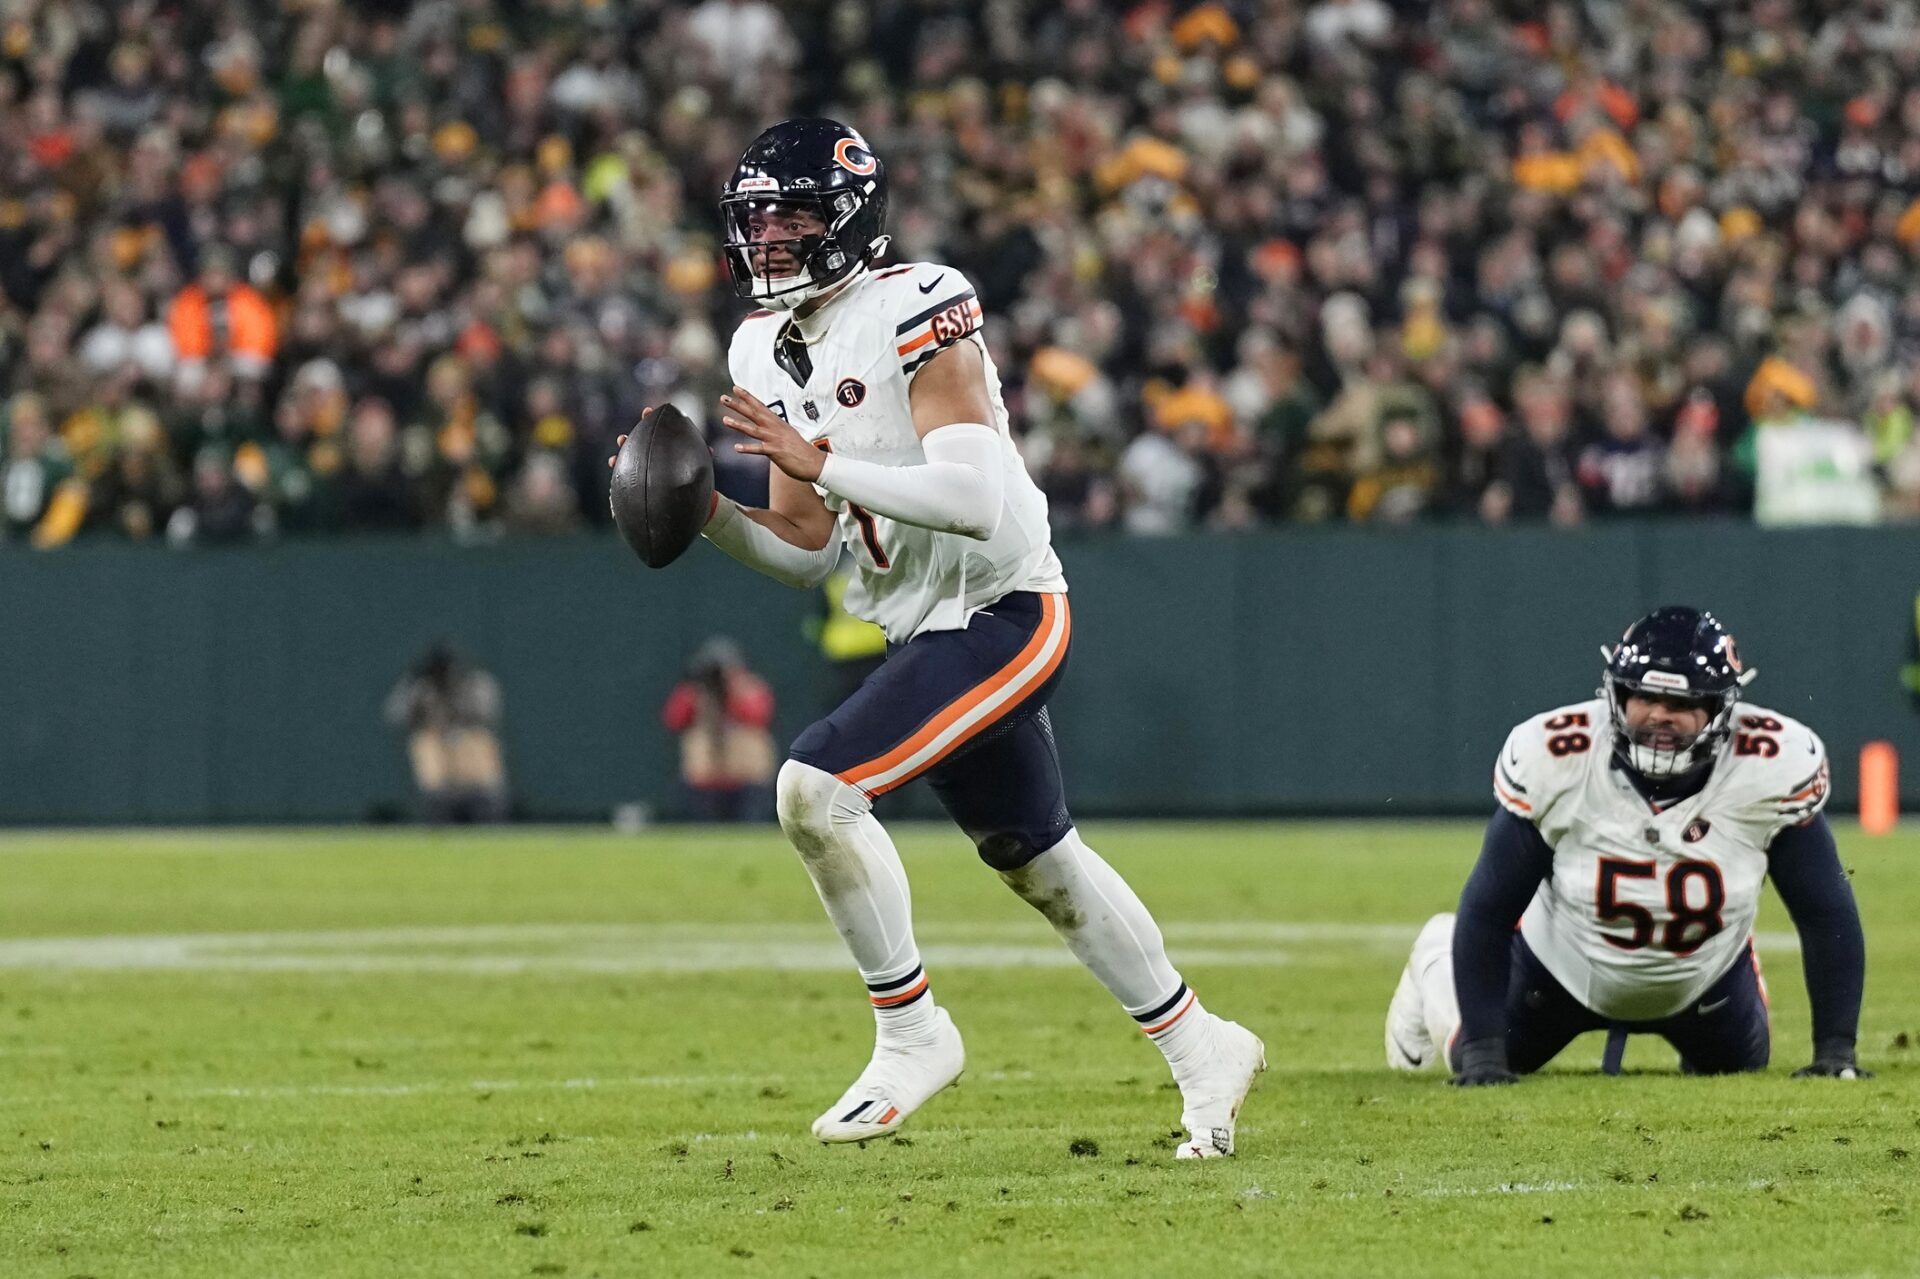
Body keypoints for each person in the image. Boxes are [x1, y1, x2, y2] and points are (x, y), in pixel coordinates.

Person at [610, 119, 1262, 1157]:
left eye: (794, 215)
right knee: (1037, 860)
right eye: (757, 218)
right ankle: (1204, 1044)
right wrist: (710, 516)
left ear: (849, 217)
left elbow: (973, 496)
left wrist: (818, 463)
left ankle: (911, 1030)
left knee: (814, 790)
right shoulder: (758, 346)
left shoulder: (918, 305)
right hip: (916, 629)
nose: (769, 238)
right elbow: (807, 547)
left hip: (1007, 611)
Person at [1385, 607, 1868, 1084]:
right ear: (1615, 694)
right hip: (1559, 970)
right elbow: (1490, 908)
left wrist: (1835, 1050)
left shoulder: (1772, 764)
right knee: (1472, 1061)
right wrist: (1485, 1050)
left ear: (1721, 710)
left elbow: (1825, 911)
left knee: (1739, 1071)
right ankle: (1435, 953)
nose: (1660, 715)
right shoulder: (1557, 756)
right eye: (1643, 697)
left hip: (1705, 976)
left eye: (1681, 704)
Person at [384, 642, 509, 824]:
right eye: (439, 670)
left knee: (479, 740)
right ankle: (440, 812)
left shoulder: (474, 682)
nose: (443, 675)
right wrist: (411, 689)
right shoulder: (422, 685)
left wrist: (458, 719)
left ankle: (488, 812)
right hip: (436, 739)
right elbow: (395, 716)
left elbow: (488, 712)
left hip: (468, 737)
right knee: (424, 742)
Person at [661, 637, 777, 822]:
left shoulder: (749, 688)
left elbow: (759, 715)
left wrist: (735, 690)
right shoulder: (696, 691)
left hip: (745, 774)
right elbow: (673, 720)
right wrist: (697, 696)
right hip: (706, 777)